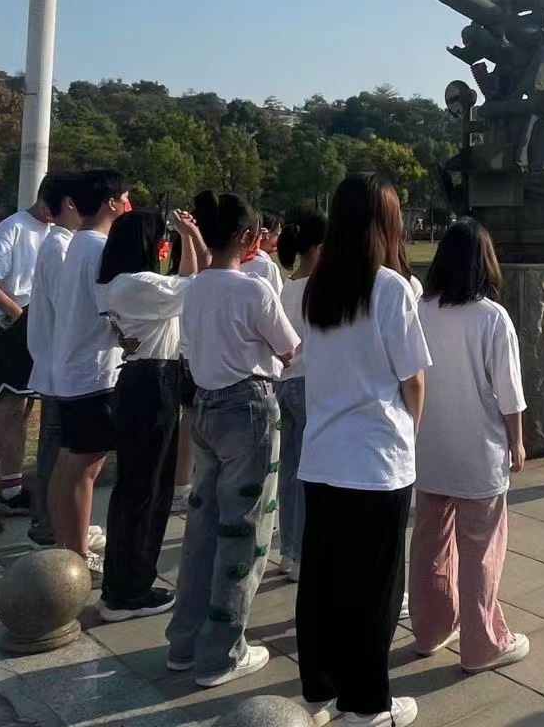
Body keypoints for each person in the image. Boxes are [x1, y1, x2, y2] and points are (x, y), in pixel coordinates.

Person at [296, 174, 428, 727]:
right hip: (375, 460)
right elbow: (413, 379)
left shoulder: (316, 287)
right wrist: (409, 430)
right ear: (384, 225)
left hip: (323, 454)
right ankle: (368, 704)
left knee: (324, 580)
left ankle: (322, 686)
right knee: (374, 588)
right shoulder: (389, 288)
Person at [167, 191, 298, 689]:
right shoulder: (253, 289)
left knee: (203, 526)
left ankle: (185, 641)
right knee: (245, 531)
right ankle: (221, 651)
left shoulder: (196, 287)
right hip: (248, 408)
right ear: (246, 237)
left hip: (204, 406)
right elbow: (289, 348)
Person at [411, 217, 531, 677]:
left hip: (428, 447)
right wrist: (517, 442)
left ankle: (430, 628)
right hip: (478, 450)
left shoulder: (420, 311)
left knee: (430, 543)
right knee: (480, 547)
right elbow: (509, 393)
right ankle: (483, 643)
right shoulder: (491, 318)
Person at [95, 208, 208, 621]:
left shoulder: (118, 283)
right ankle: (129, 590)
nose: (162, 245)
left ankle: (124, 582)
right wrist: (191, 236)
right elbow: (194, 284)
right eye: (159, 237)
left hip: (142, 380)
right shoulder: (139, 285)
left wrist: (187, 238)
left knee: (138, 488)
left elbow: (184, 281)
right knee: (147, 491)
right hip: (153, 383)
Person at [47, 169, 129, 577]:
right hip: (92, 372)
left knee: (71, 460)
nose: (128, 205)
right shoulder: (99, 248)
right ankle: (78, 555)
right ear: (112, 203)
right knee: (87, 466)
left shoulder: (77, 243)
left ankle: (66, 541)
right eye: (125, 198)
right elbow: (113, 307)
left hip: (72, 368)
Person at [0, 178, 55, 534]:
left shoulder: (54, 232)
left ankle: (12, 488)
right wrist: (18, 315)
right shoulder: (14, 227)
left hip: (36, 328)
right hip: (11, 329)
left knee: (23, 409)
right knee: (5, 408)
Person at [25, 173, 83, 546]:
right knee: (56, 449)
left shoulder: (63, 244)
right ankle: (47, 524)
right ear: (68, 205)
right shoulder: (59, 248)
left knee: (59, 447)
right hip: (58, 367)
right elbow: (69, 307)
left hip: (59, 366)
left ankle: (51, 521)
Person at [274, 210, 327, 583]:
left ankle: (289, 552)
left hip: (286, 382)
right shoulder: (320, 287)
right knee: (311, 474)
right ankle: (304, 551)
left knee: (290, 472)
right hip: (310, 384)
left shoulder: (288, 286)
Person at [241, 210, 285, 294]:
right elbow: (278, 298)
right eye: (277, 234)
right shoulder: (267, 266)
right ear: (265, 234)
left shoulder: (231, 260)